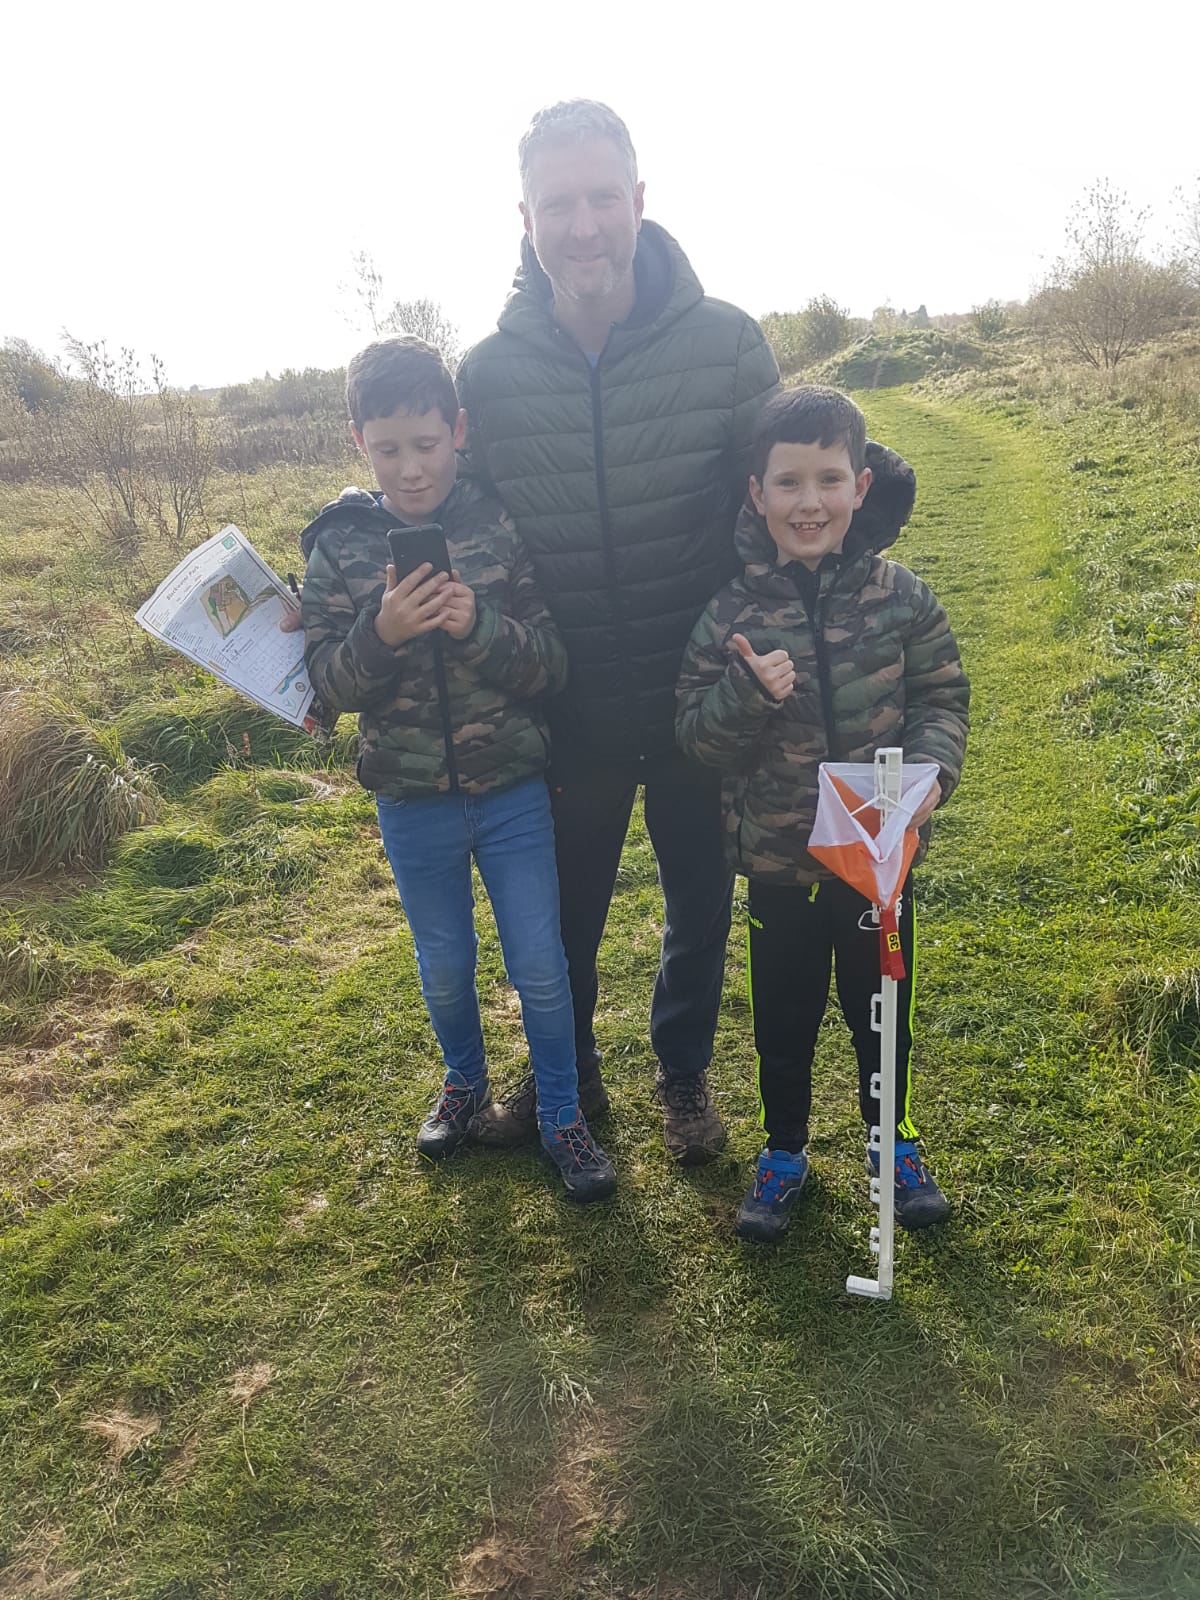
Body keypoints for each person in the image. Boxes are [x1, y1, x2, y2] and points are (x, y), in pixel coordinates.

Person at [457, 99, 781, 1165]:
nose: (584, 226)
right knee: (560, 926)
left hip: (699, 704)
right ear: (524, 215)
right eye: (560, 204)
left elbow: (784, 502)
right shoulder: (488, 376)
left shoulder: (729, 344)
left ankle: (682, 1076)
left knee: (699, 906)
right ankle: (569, 1084)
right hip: (567, 708)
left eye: (604, 198)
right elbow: (447, 520)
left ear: (640, 201)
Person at [297, 334, 615, 1202]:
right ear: (357, 441)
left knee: (540, 965)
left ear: (459, 431)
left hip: (512, 792)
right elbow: (325, 687)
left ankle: (560, 1112)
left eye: (427, 445)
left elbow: (550, 663)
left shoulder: (497, 524)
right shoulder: (341, 548)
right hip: (410, 802)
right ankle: (465, 1084)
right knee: (442, 961)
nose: (409, 468)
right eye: (388, 447)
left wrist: (478, 625)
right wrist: (383, 634)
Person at [675, 385, 970, 1241]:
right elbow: (695, 736)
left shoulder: (901, 597)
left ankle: (893, 1138)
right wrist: (743, 692)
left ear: (861, 486)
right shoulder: (728, 614)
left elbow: (943, 696)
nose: (811, 503)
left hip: (880, 858)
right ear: (757, 494)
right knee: (785, 1014)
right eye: (790, 483)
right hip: (779, 860)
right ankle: (784, 1150)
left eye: (830, 480)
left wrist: (930, 779)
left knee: (881, 1004)